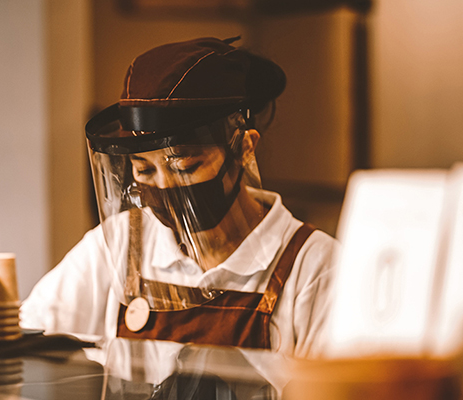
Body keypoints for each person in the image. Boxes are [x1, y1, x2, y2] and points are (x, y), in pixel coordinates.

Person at [20, 36, 338, 361]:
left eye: (184, 166)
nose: (164, 186)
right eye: (144, 171)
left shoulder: (314, 267)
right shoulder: (118, 245)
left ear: (244, 148)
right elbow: (29, 340)